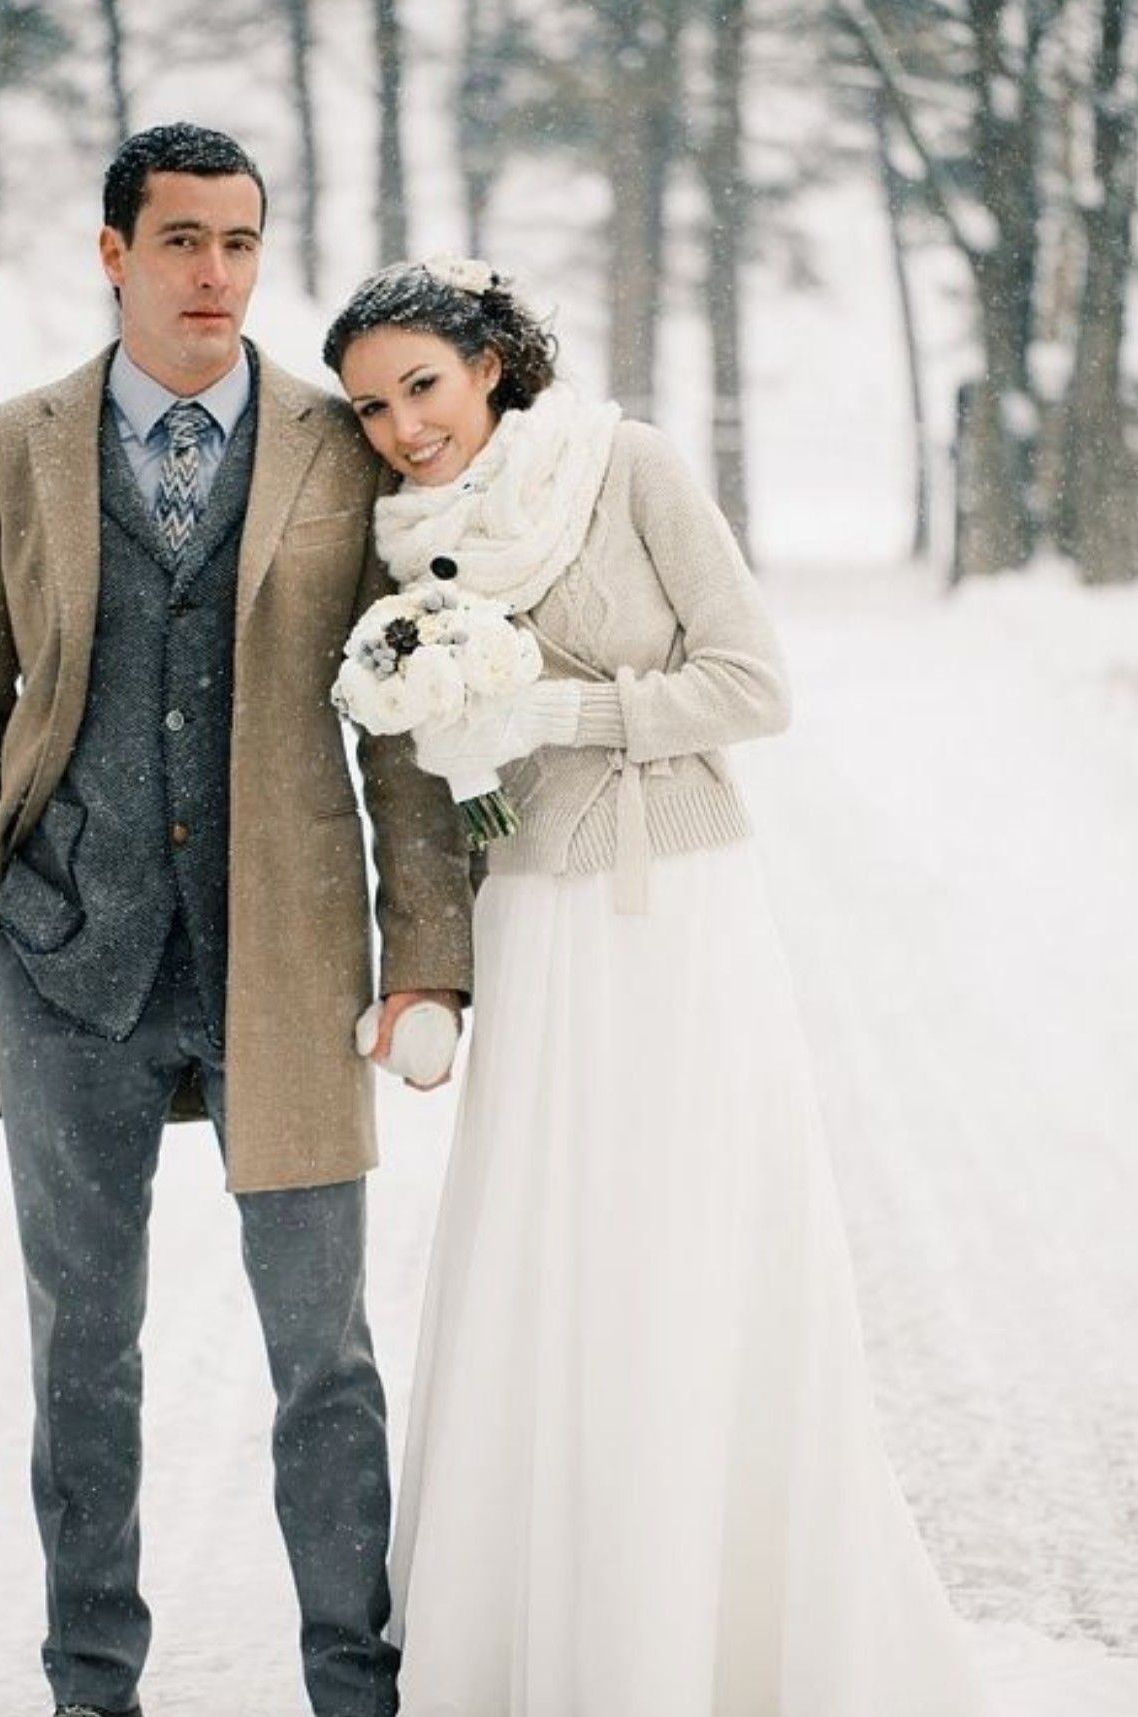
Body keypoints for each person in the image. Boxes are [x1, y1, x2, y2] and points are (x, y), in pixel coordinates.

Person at [322, 259, 988, 1717]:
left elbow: (754, 684)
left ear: (489, 363)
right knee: (549, 1248)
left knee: (686, 1238)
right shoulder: (406, 547)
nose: (404, 428)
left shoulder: (626, 467)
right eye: (370, 408)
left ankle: (714, 1623)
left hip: (673, 904)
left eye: (422, 386)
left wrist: (564, 709)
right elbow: (423, 783)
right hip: (530, 919)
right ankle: (555, 1624)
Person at [0, 127, 472, 1717]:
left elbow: (401, 723)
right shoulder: (13, 446)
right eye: (181, 241)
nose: (215, 273)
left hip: (286, 966)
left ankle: (353, 1682)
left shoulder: (338, 443)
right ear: (114, 254)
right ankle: (91, 1684)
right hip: (63, 962)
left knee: (324, 1358)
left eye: (239, 240)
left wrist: (426, 952)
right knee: (82, 1356)